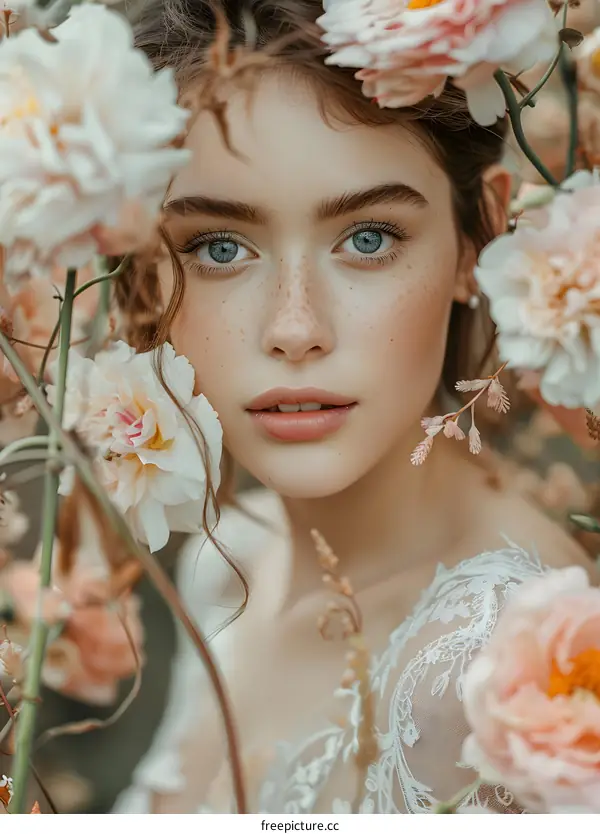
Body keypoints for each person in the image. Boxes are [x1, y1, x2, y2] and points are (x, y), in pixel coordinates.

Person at [113, 0, 593, 814]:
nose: (295, 329)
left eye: (368, 238)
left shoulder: (504, 689)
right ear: (137, 270)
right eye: (220, 248)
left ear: (479, 234)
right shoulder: (226, 566)